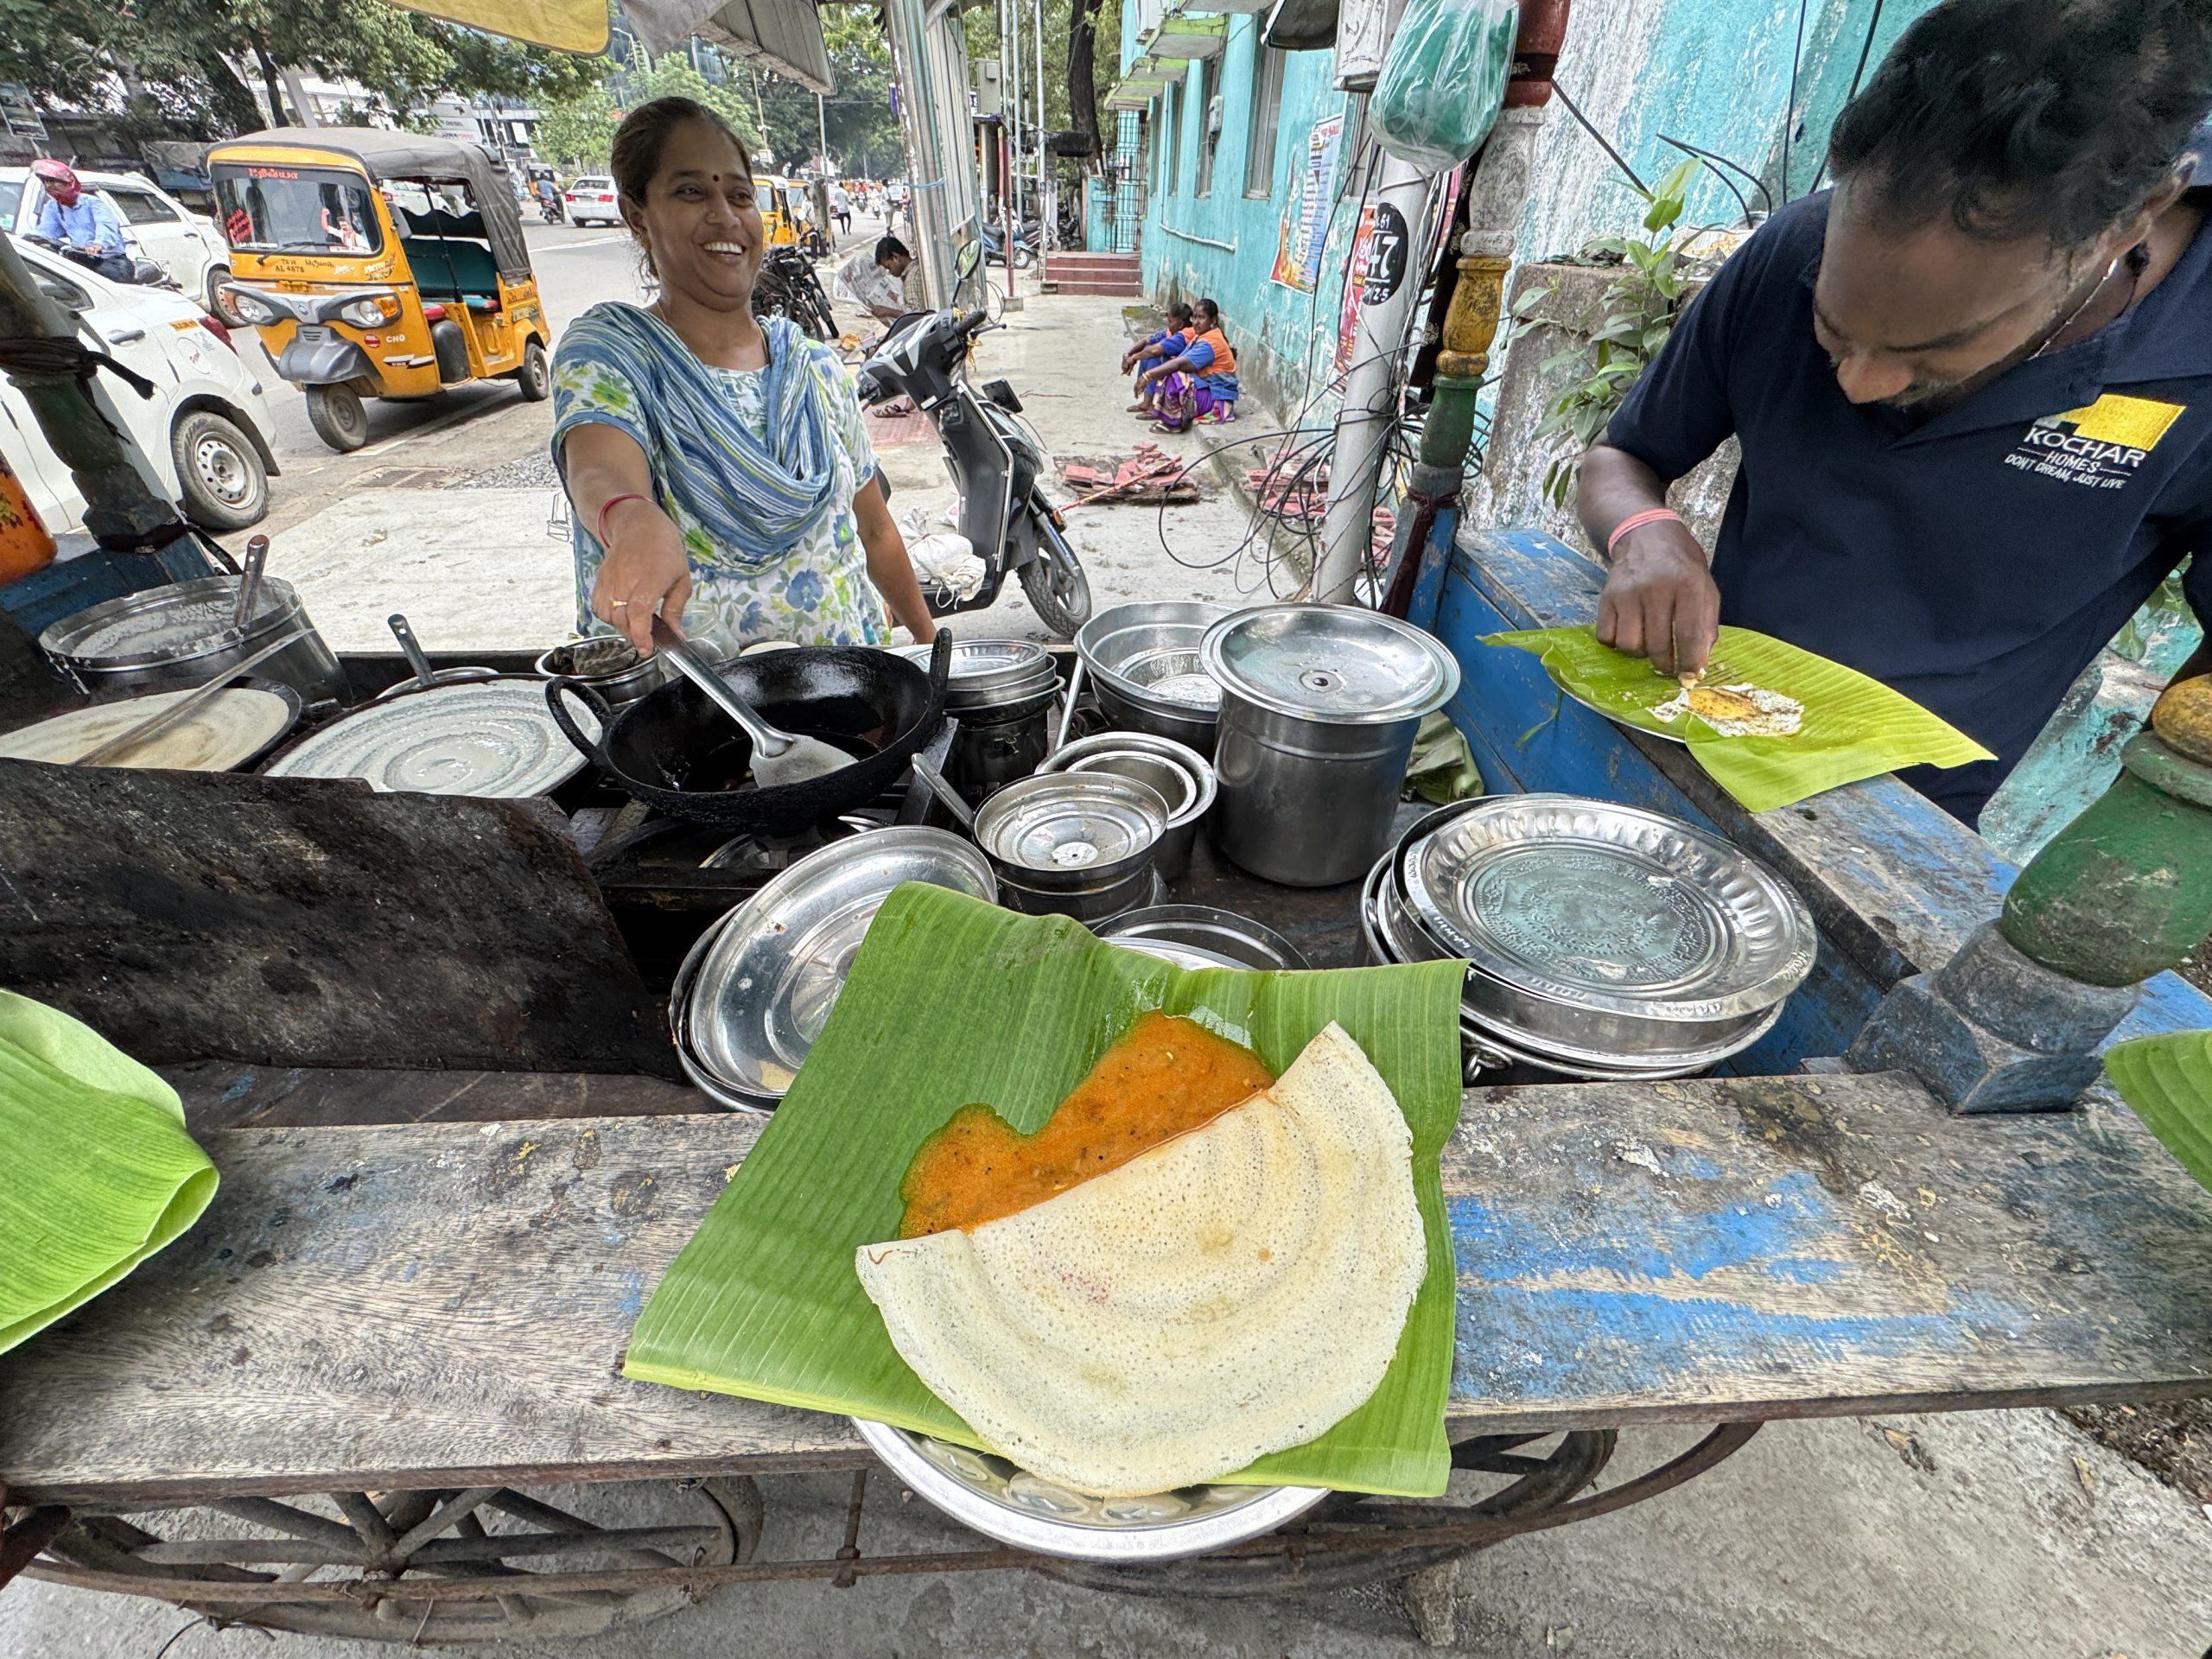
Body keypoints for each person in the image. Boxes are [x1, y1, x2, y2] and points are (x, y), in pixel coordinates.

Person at [1576, 0, 2212, 827]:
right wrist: (1643, 534)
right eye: (1832, 332)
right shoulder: (1789, 251)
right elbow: (1621, 459)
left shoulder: (2192, 359)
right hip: (1696, 723)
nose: (1862, 384)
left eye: (1937, 349)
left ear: (2125, 228)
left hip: (1902, 818)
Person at [552, 97, 936, 655]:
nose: (725, 216)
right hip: (691, 722)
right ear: (638, 215)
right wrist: (629, 518)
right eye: (691, 192)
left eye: (739, 195)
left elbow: (875, 531)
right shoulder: (613, 354)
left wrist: (937, 661)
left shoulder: (814, 368)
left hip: (854, 697)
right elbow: (599, 466)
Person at [1135, 298, 1241, 426]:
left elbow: (1181, 364)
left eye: (1201, 318)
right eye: (1194, 318)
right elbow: (1179, 359)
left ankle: (1173, 423)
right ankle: (1163, 413)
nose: (1196, 322)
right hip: (1208, 390)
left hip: (1217, 400)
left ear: (1213, 321)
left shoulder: (1210, 343)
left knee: (1175, 376)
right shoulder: (1200, 336)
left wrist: (1147, 376)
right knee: (1169, 369)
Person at [28, 161, 130, 282]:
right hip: (81, 258)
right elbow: (46, 231)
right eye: (45, 182)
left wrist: (98, 244)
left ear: (69, 183)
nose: (48, 186)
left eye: (52, 181)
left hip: (110, 259)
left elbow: (106, 226)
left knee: (109, 281)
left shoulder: (93, 203)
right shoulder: (52, 207)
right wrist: (27, 239)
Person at [1122, 302, 1194, 416]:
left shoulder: (1184, 336)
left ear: (1180, 323)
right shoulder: (1172, 332)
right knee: (1146, 349)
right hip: (1174, 366)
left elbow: (1154, 351)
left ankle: (1154, 406)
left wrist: (1134, 358)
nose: (1168, 325)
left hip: (1185, 373)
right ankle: (1147, 402)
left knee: (1154, 356)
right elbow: (1146, 340)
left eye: (1170, 322)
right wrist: (1127, 356)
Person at [838, 235, 912, 326]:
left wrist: (889, 312)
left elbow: (915, 317)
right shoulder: (908, 275)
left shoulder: (911, 278)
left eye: (889, 267)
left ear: (896, 258)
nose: (890, 272)